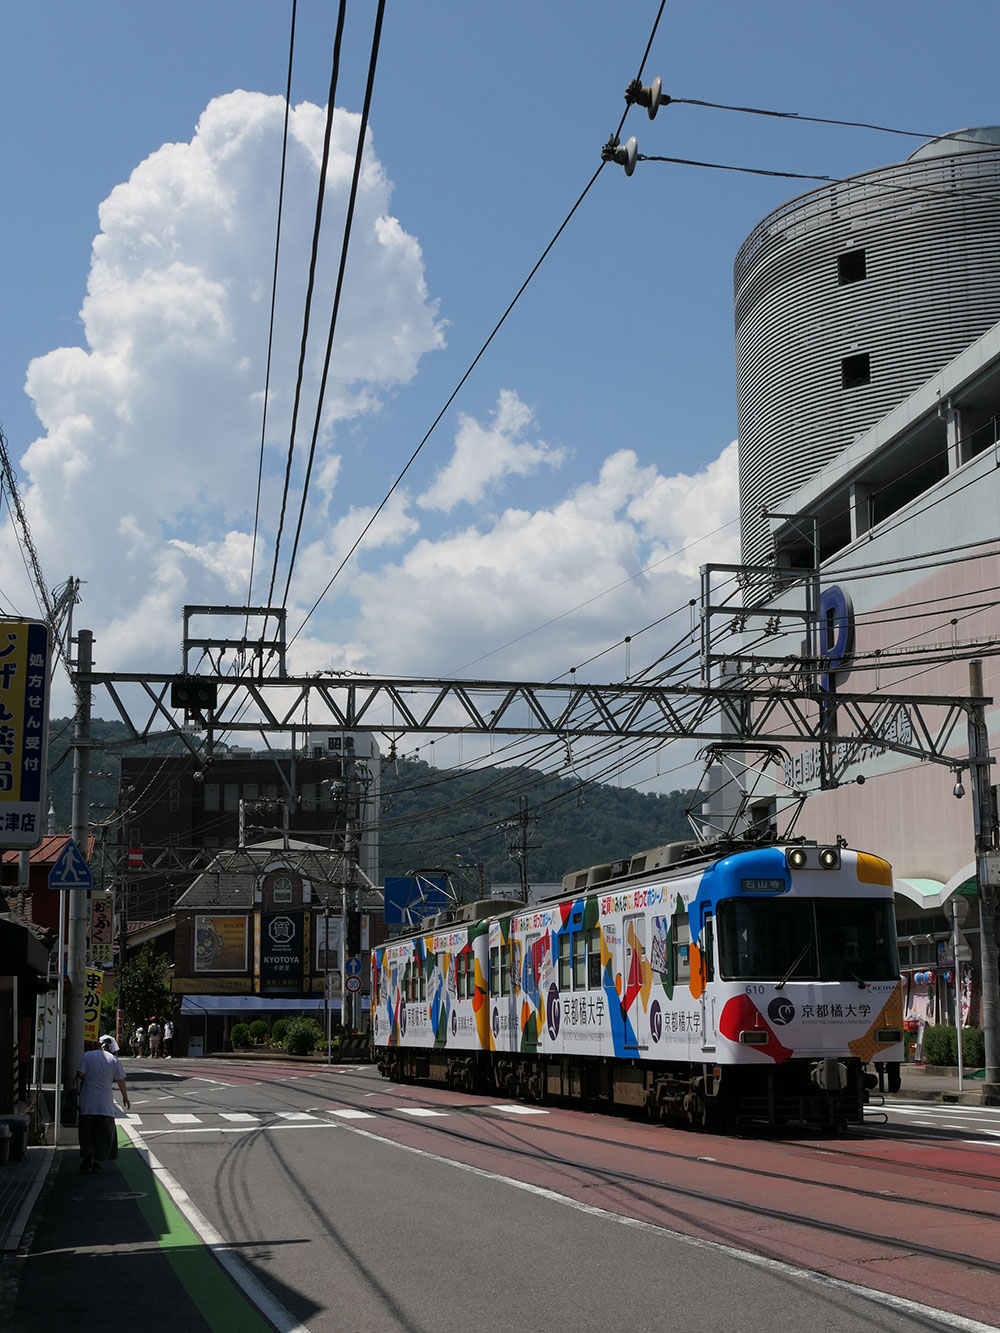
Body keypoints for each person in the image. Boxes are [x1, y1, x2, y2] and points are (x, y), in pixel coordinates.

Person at [75, 1035, 129, 1173]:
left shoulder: (87, 1056)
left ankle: (87, 1157)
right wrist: (125, 1097)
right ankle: (98, 1161)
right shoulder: (113, 1060)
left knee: (86, 1133)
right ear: (111, 1048)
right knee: (104, 1134)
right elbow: (121, 1080)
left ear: (98, 1045)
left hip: (87, 1101)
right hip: (104, 1103)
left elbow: (80, 1075)